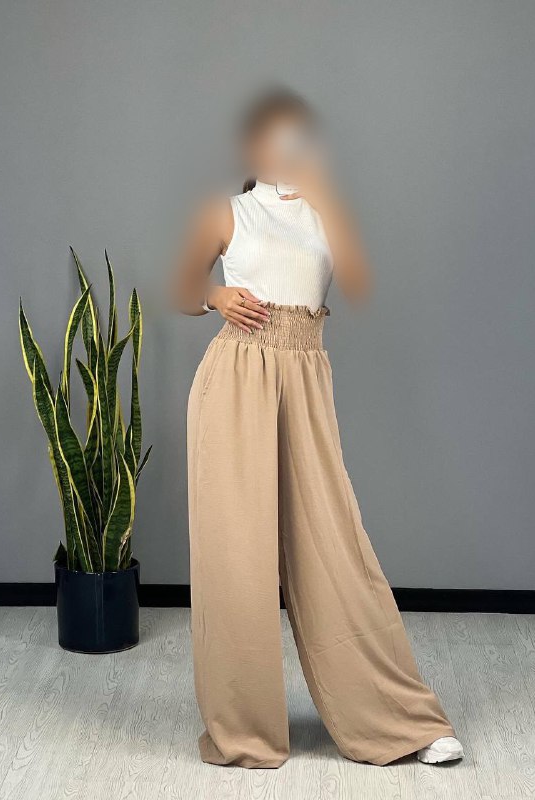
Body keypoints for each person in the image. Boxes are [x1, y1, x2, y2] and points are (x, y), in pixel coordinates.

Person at [171, 87, 464, 769]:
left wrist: (327, 201)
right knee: (234, 561)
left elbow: (355, 281)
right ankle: (244, 729)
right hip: (235, 379)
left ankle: (398, 719)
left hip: (304, 378)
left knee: (336, 552)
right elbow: (182, 288)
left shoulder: (326, 212)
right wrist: (214, 295)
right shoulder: (227, 210)